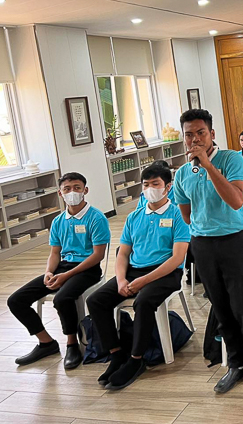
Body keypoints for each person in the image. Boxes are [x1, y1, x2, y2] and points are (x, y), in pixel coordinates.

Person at [174, 109, 243, 394]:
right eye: (189, 135)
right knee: (221, 308)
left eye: (200, 133)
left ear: (212, 134)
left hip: (236, 243)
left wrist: (207, 166)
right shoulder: (181, 173)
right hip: (204, 246)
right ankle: (236, 365)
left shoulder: (231, 160)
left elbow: (235, 199)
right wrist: (205, 229)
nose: (195, 140)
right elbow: (187, 215)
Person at [87, 163, 189, 390]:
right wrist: (122, 279)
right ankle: (116, 354)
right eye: (146, 185)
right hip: (134, 271)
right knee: (95, 300)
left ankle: (136, 359)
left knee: (143, 302)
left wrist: (143, 282)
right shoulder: (134, 217)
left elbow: (176, 258)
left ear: (168, 187)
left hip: (166, 272)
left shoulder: (178, 214)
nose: (150, 188)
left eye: (156, 184)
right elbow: (123, 253)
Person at [7, 172, 110, 370]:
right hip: (63, 267)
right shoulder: (58, 221)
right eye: (67, 189)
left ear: (85, 190)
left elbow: (98, 255)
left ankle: (71, 343)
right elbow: (55, 253)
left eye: (77, 188)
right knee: (16, 300)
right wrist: (49, 272)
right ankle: (46, 343)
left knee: (62, 298)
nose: (72, 192)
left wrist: (67, 276)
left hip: (88, 269)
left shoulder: (96, 218)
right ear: (60, 193)